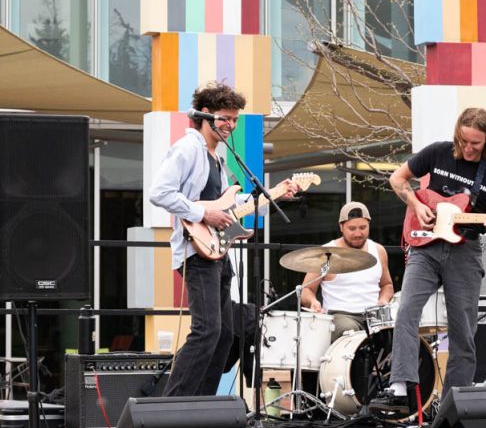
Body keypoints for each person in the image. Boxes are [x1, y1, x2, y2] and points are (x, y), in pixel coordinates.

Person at [149, 81, 300, 397]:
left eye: (234, 119)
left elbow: (228, 205)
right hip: (196, 252)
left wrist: (277, 195)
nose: (230, 125)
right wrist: (203, 215)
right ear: (204, 114)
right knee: (207, 331)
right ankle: (171, 406)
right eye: (224, 118)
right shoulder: (188, 149)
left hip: (217, 253)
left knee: (225, 333)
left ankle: (202, 405)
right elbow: (159, 193)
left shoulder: (217, 158)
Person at [370, 107, 486, 414]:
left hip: (465, 249)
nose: (468, 148)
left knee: (463, 329)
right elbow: (397, 179)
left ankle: (452, 404)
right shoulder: (437, 153)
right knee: (406, 310)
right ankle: (399, 385)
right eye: (464, 140)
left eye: (475, 143)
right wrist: (416, 205)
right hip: (425, 245)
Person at [300, 200, 394, 340]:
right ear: (341, 227)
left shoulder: (379, 250)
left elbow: (387, 285)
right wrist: (313, 302)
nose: (358, 233)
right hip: (340, 315)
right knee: (349, 331)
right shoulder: (326, 253)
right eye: (352, 229)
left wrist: (383, 300)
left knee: (397, 333)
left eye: (363, 227)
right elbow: (305, 290)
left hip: (374, 315)